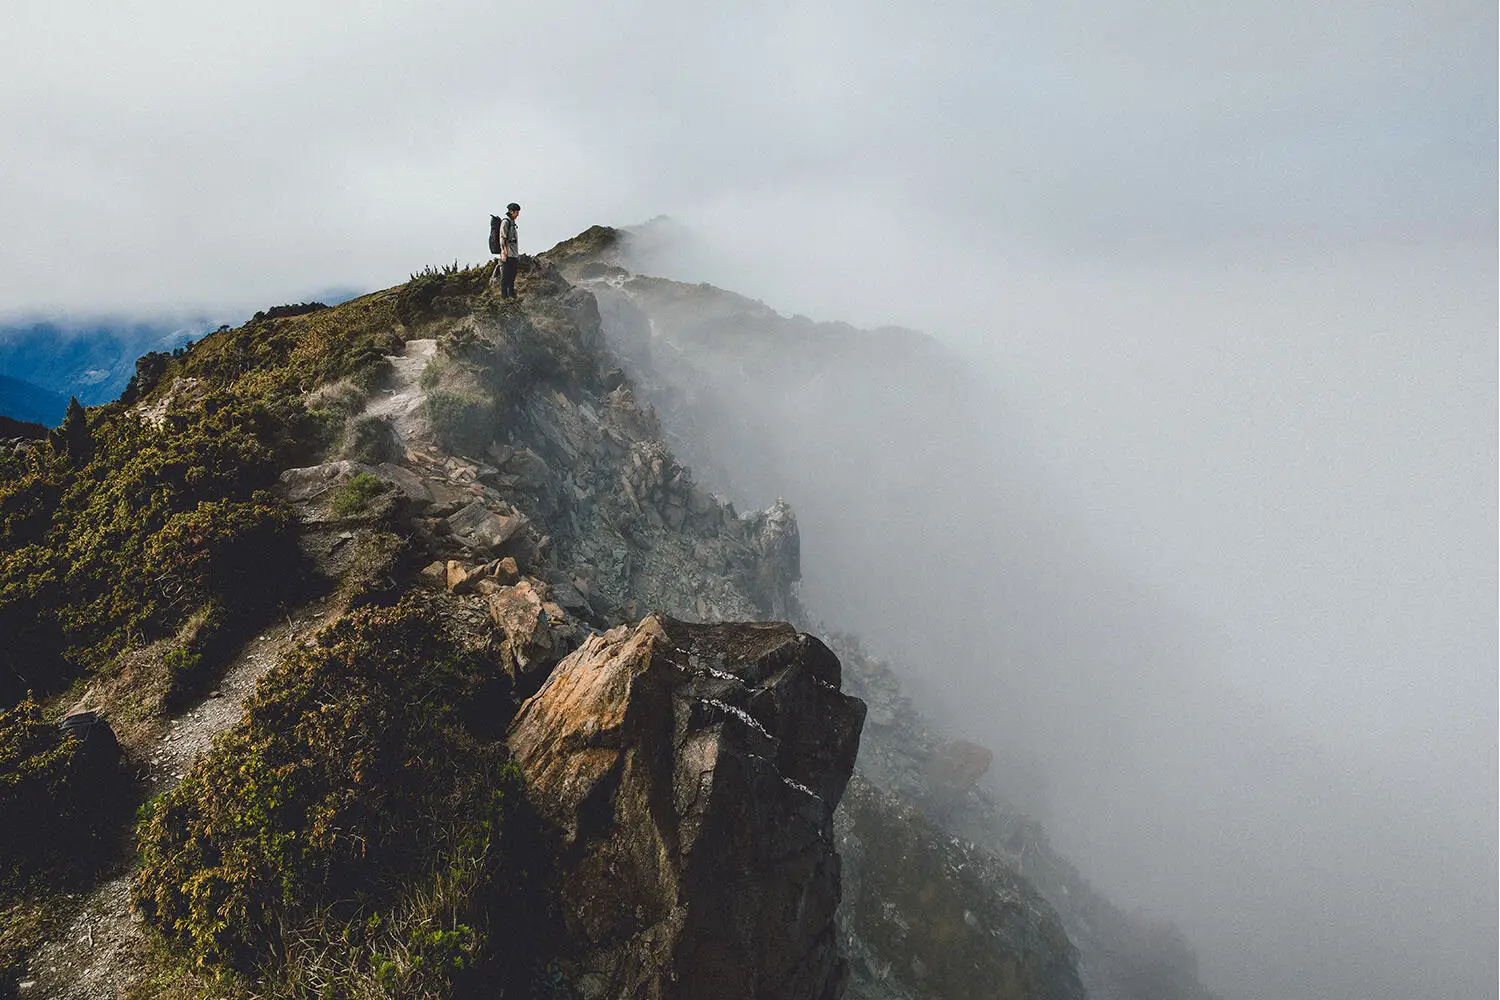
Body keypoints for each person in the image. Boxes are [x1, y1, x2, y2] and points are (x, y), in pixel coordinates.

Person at [496, 202, 521, 298]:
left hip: (514, 254)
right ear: (511, 211)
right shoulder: (505, 222)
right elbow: (502, 238)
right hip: (507, 254)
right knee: (505, 277)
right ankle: (504, 297)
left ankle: (512, 296)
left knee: (512, 277)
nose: (517, 214)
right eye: (516, 212)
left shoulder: (512, 222)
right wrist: (503, 253)